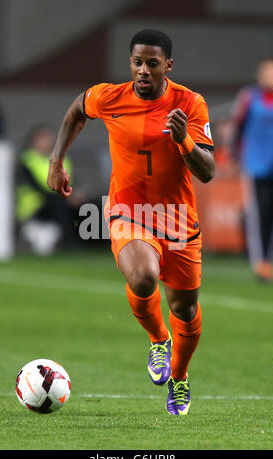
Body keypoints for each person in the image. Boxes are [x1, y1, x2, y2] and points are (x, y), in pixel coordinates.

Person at [47, 29, 215, 415]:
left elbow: (207, 171)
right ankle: (158, 340)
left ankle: (180, 376)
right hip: (128, 211)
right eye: (137, 62)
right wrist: (57, 159)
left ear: (167, 66)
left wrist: (184, 140)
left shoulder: (190, 104)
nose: (142, 70)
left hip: (177, 218)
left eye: (152, 64)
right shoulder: (108, 96)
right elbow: (76, 110)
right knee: (142, 277)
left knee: (186, 310)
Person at [231, 58, 273, 282]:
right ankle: (262, 264)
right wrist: (235, 156)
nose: (270, 76)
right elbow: (238, 129)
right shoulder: (248, 97)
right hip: (258, 167)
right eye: (266, 72)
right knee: (261, 215)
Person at [16, 124, 82, 253]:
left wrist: (76, 195)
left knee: (88, 203)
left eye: (48, 138)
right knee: (58, 202)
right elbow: (35, 187)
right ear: (33, 140)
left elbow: (70, 183)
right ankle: (67, 242)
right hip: (34, 207)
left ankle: (94, 242)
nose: (46, 142)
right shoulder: (26, 160)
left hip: (59, 201)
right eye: (42, 138)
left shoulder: (62, 159)